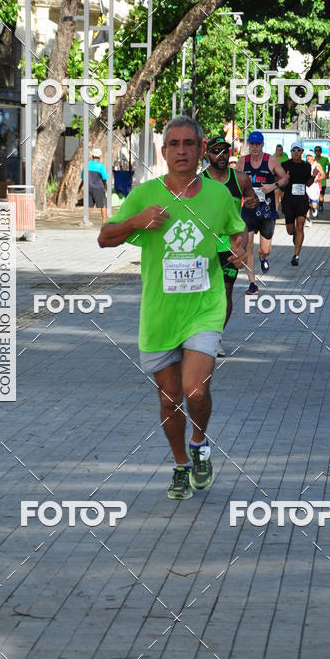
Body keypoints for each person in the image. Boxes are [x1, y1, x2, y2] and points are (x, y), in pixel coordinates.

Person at [98, 116, 247, 500]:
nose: (182, 150)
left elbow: (235, 230)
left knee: (194, 389)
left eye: (189, 144)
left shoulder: (218, 196)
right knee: (169, 398)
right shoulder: (145, 195)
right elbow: (105, 238)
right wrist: (138, 220)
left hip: (205, 307)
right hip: (160, 312)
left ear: (200, 151)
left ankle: (199, 442)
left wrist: (238, 250)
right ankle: (181, 463)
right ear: (163, 152)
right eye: (174, 144)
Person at [202, 135, 257, 356]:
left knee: (225, 290)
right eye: (216, 151)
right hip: (204, 245)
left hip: (230, 244)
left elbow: (252, 199)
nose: (221, 155)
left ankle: (215, 337)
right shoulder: (199, 181)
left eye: (225, 151)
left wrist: (253, 201)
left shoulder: (241, 179)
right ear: (207, 155)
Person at [237, 130, 287, 292]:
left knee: (266, 249)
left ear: (262, 144)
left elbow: (285, 178)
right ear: (249, 145)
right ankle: (252, 283)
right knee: (248, 245)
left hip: (267, 211)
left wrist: (273, 186)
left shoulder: (271, 161)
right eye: (252, 144)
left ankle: (263, 256)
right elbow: (234, 181)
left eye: (258, 144)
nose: (255, 147)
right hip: (249, 210)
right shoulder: (242, 162)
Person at [281, 142, 314, 265]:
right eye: (294, 150)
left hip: (301, 200)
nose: (296, 152)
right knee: (290, 230)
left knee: (300, 224)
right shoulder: (284, 165)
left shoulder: (306, 166)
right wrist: (285, 180)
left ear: (302, 152)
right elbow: (278, 182)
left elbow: (308, 184)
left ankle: (296, 255)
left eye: (298, 150)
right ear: (291, 152)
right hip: (289, 201)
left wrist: (314, 177)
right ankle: (295, 234)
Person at [78, 148, 109, 221]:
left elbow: (83, 176)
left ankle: (87, 220)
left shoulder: (87, 164)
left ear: (92, 156)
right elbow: (105, 177)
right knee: (103, 204)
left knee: (88, 205)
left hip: (88, 187)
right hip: (98, 187)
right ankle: (104, 220)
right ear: (100, 156)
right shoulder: (101, 166)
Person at [305, 153, 324, 224]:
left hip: (314, 186)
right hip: (306, 186)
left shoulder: (317, 165)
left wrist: (317, 179)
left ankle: (314, 209)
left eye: (310, 156)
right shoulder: (304, 165)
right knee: (306, 203)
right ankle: (308, 220)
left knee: (313, 205)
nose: (308, 157)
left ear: (313, 157)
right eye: (307, 156)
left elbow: (323, 175)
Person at [314, 146, 329, 211]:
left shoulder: (325, 159)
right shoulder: (312, 159)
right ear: (315, 152)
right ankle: (314, 206)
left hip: (322, 180)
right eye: (316, 151)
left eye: (319, 150)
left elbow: (329, 166)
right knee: (314, 194)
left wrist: (328, 173)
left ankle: (320, 205)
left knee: (321, 194)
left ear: (321, 152)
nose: (317, 152)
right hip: (313, 180)